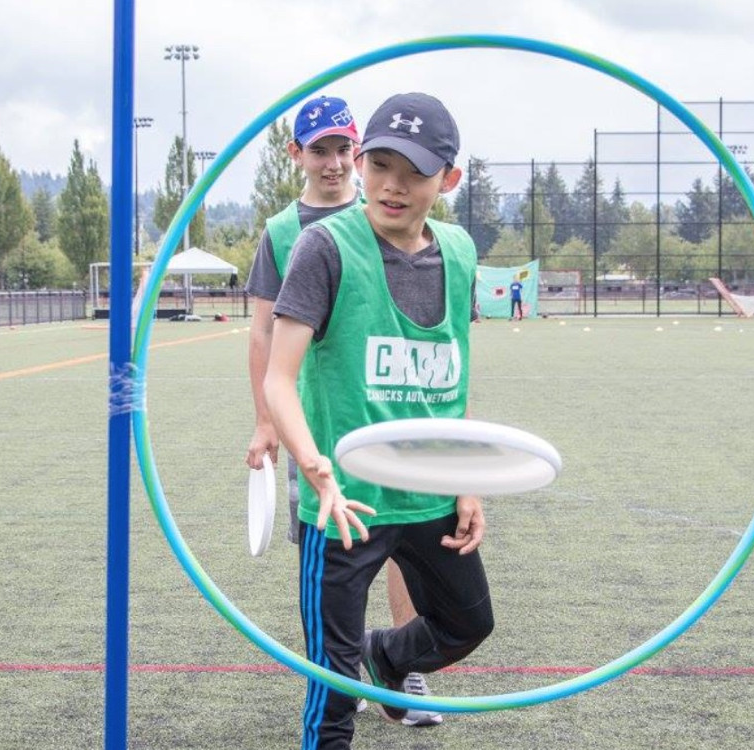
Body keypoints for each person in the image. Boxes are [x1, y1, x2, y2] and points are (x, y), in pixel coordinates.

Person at [264, 92, 492, 750]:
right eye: (381, 164)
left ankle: (387, 658)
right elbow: (280, 378)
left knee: (466, 625)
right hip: (345, 502)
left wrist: (467, 481)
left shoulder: (459, 252)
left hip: (427, 490)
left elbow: (454, 372)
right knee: (333, 686)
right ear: (361, 163)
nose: (393, 186)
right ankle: (349, 683)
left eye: (415, 171)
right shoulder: (324, 247)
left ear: (448, 179)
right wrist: (316, 470)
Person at [243, 94, 444, 729]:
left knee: (404, 542)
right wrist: (267, 421)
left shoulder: (389, 212)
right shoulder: (284, 232)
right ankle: (339, 672)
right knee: (336, 548)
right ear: (296, 154)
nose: (333, 164)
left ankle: (402, 669)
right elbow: (262, 339)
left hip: (391, 408)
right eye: (319, 150)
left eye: (342, 149)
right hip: (320, 423)